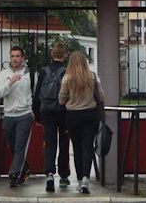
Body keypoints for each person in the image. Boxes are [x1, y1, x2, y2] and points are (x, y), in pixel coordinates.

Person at [58, 51, 105, 194]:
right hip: (90, 115)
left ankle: (79, 180)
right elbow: (101, 96)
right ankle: (86, 179)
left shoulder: (67, 78)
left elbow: (61, 99)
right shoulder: (92, 76)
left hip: (72, 116)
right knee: (87, 148)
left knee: (77, 148)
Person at [32, 41, 71, 192]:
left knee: (49, 144)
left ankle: (49, 174)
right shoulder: (66, 72)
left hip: (46, 112)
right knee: (63, 144)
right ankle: (63, 176)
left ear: (51, 54)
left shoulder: (43, 72)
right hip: (63, 112)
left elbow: (36, 95)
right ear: (65, 55)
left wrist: (37, 115)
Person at [0, 46, 33, 188]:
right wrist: (10, 82)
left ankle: (14, 174)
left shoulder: (29, 74)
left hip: (25, 114)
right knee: (13, 145)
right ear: (10, 58)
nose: (15, 59)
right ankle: (25, 168)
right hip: (9, 115)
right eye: (13, 56)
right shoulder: (4, 74)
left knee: (20, 146)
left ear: (23, 58)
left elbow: (34, 91)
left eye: (18, 56)